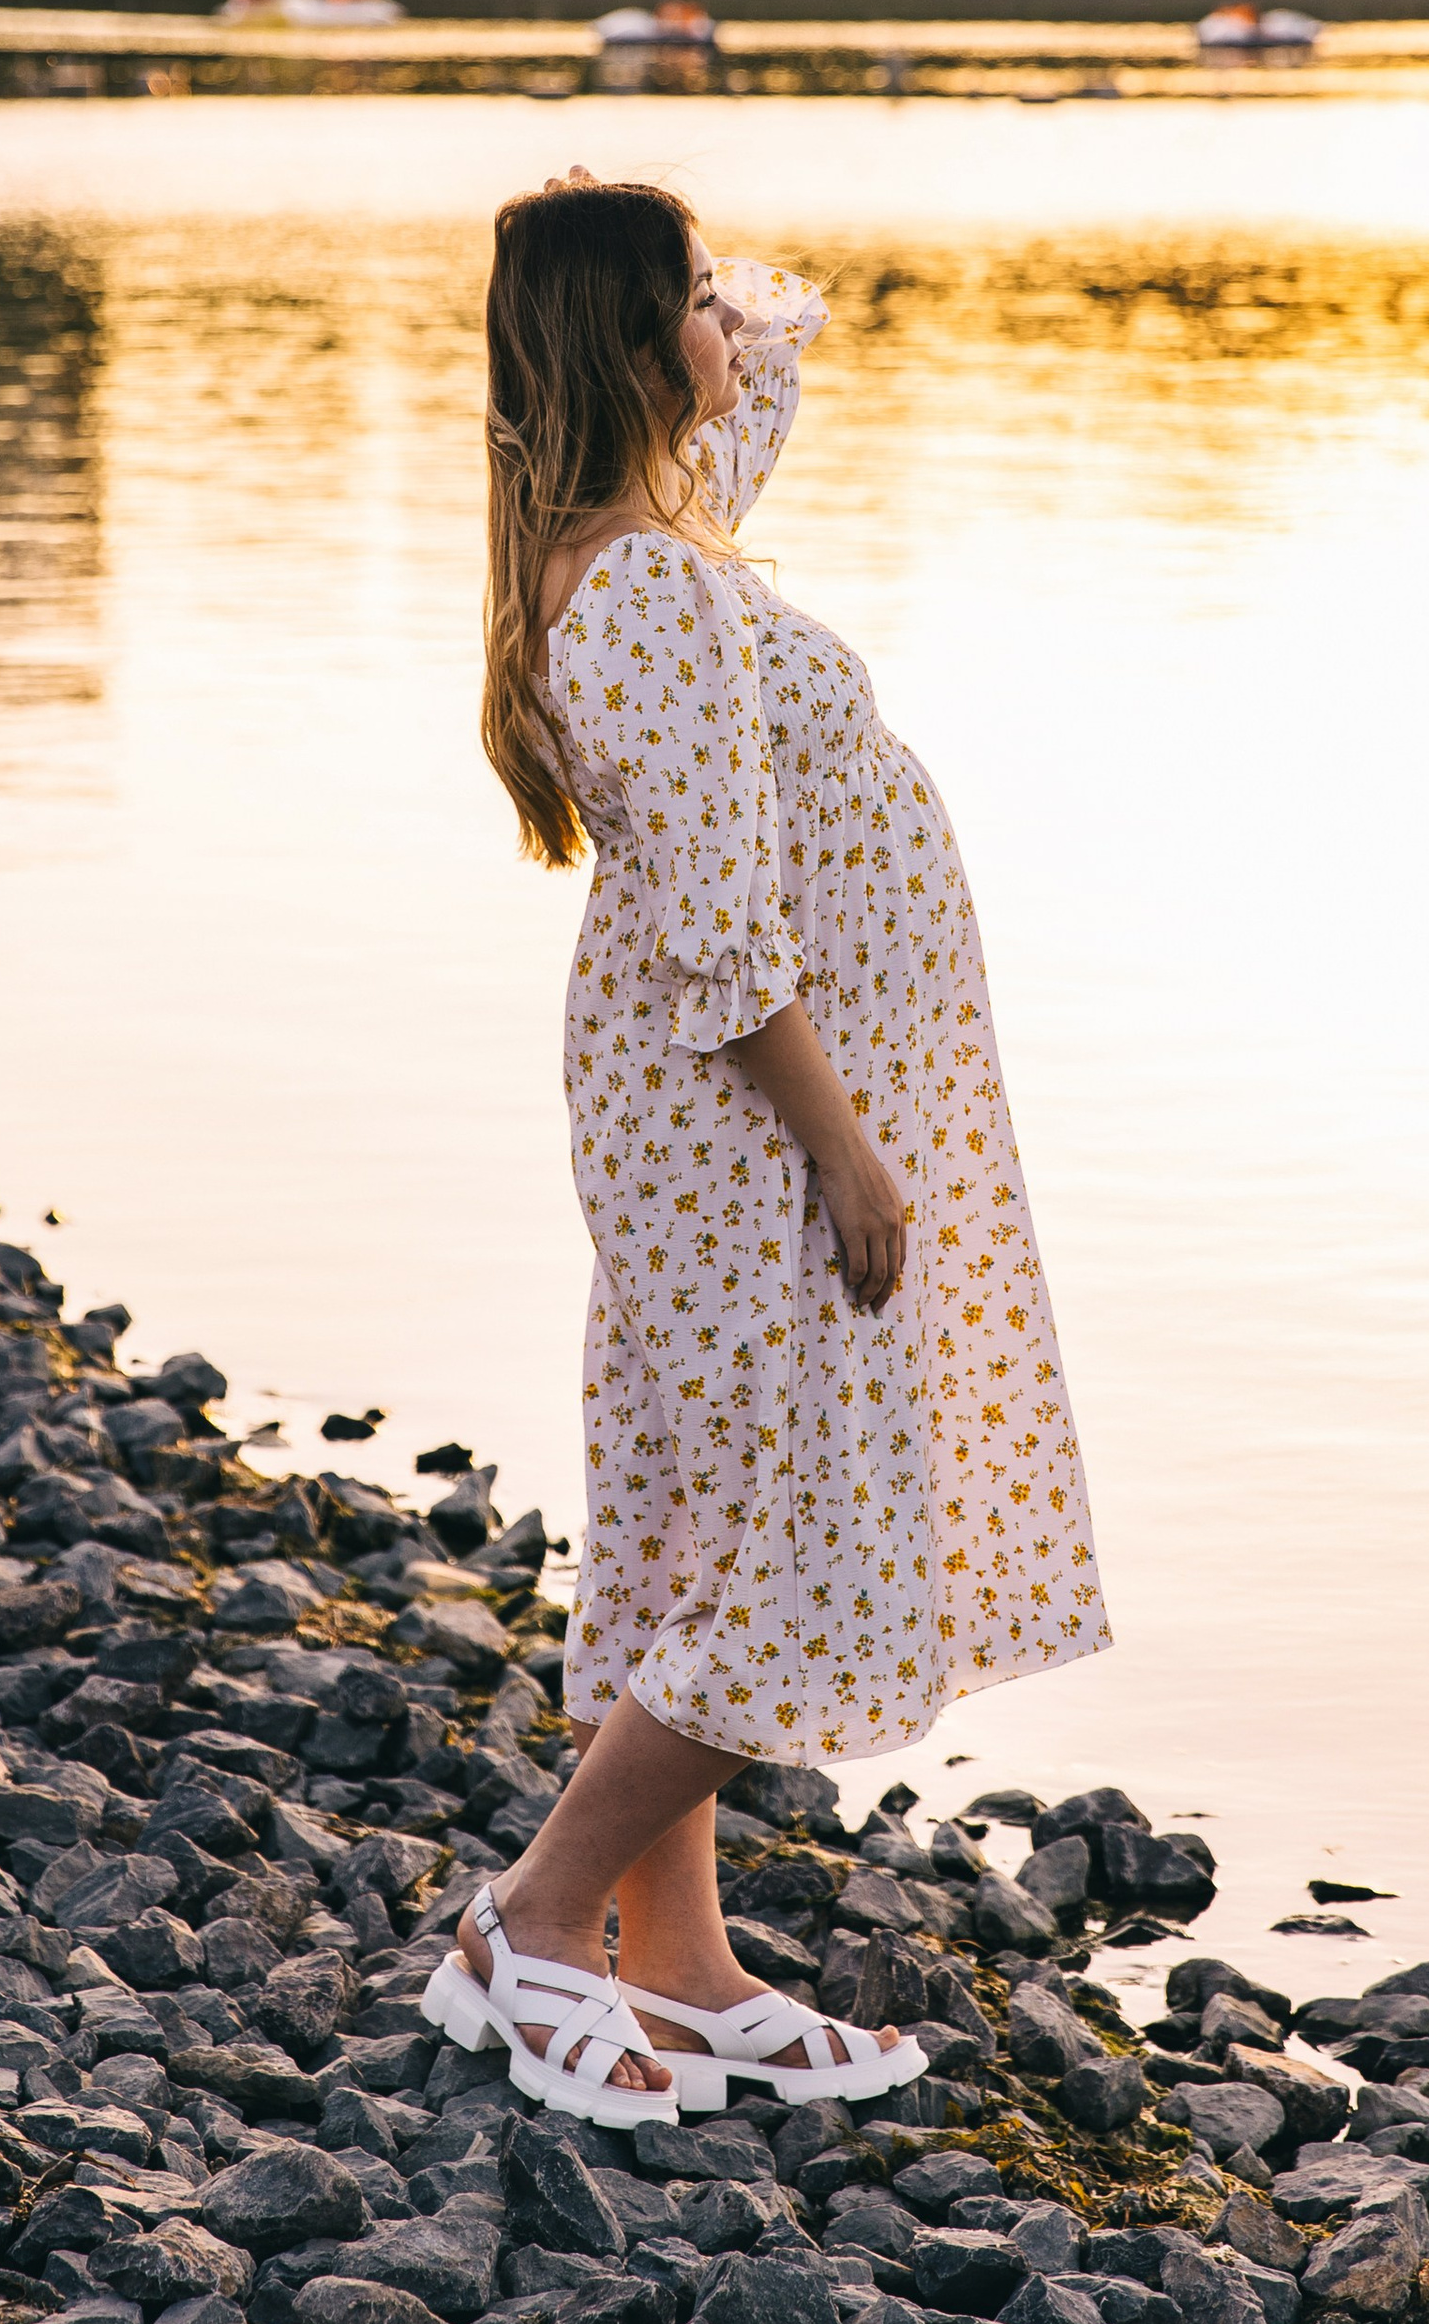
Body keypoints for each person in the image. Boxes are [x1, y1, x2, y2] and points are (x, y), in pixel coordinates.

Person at [429, 171, 1108, 2124]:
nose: (731, 326)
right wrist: (846, 1156)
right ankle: (542, 1921)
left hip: (710, 1100)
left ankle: (688, 1965)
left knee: (698, 1509)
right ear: (640, 346)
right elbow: (718, 936)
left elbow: (759, 389)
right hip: (735, 1114)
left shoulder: (652, 534)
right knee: (802, 1527)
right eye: (692, 304)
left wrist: (684, 296)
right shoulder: (641, 583)